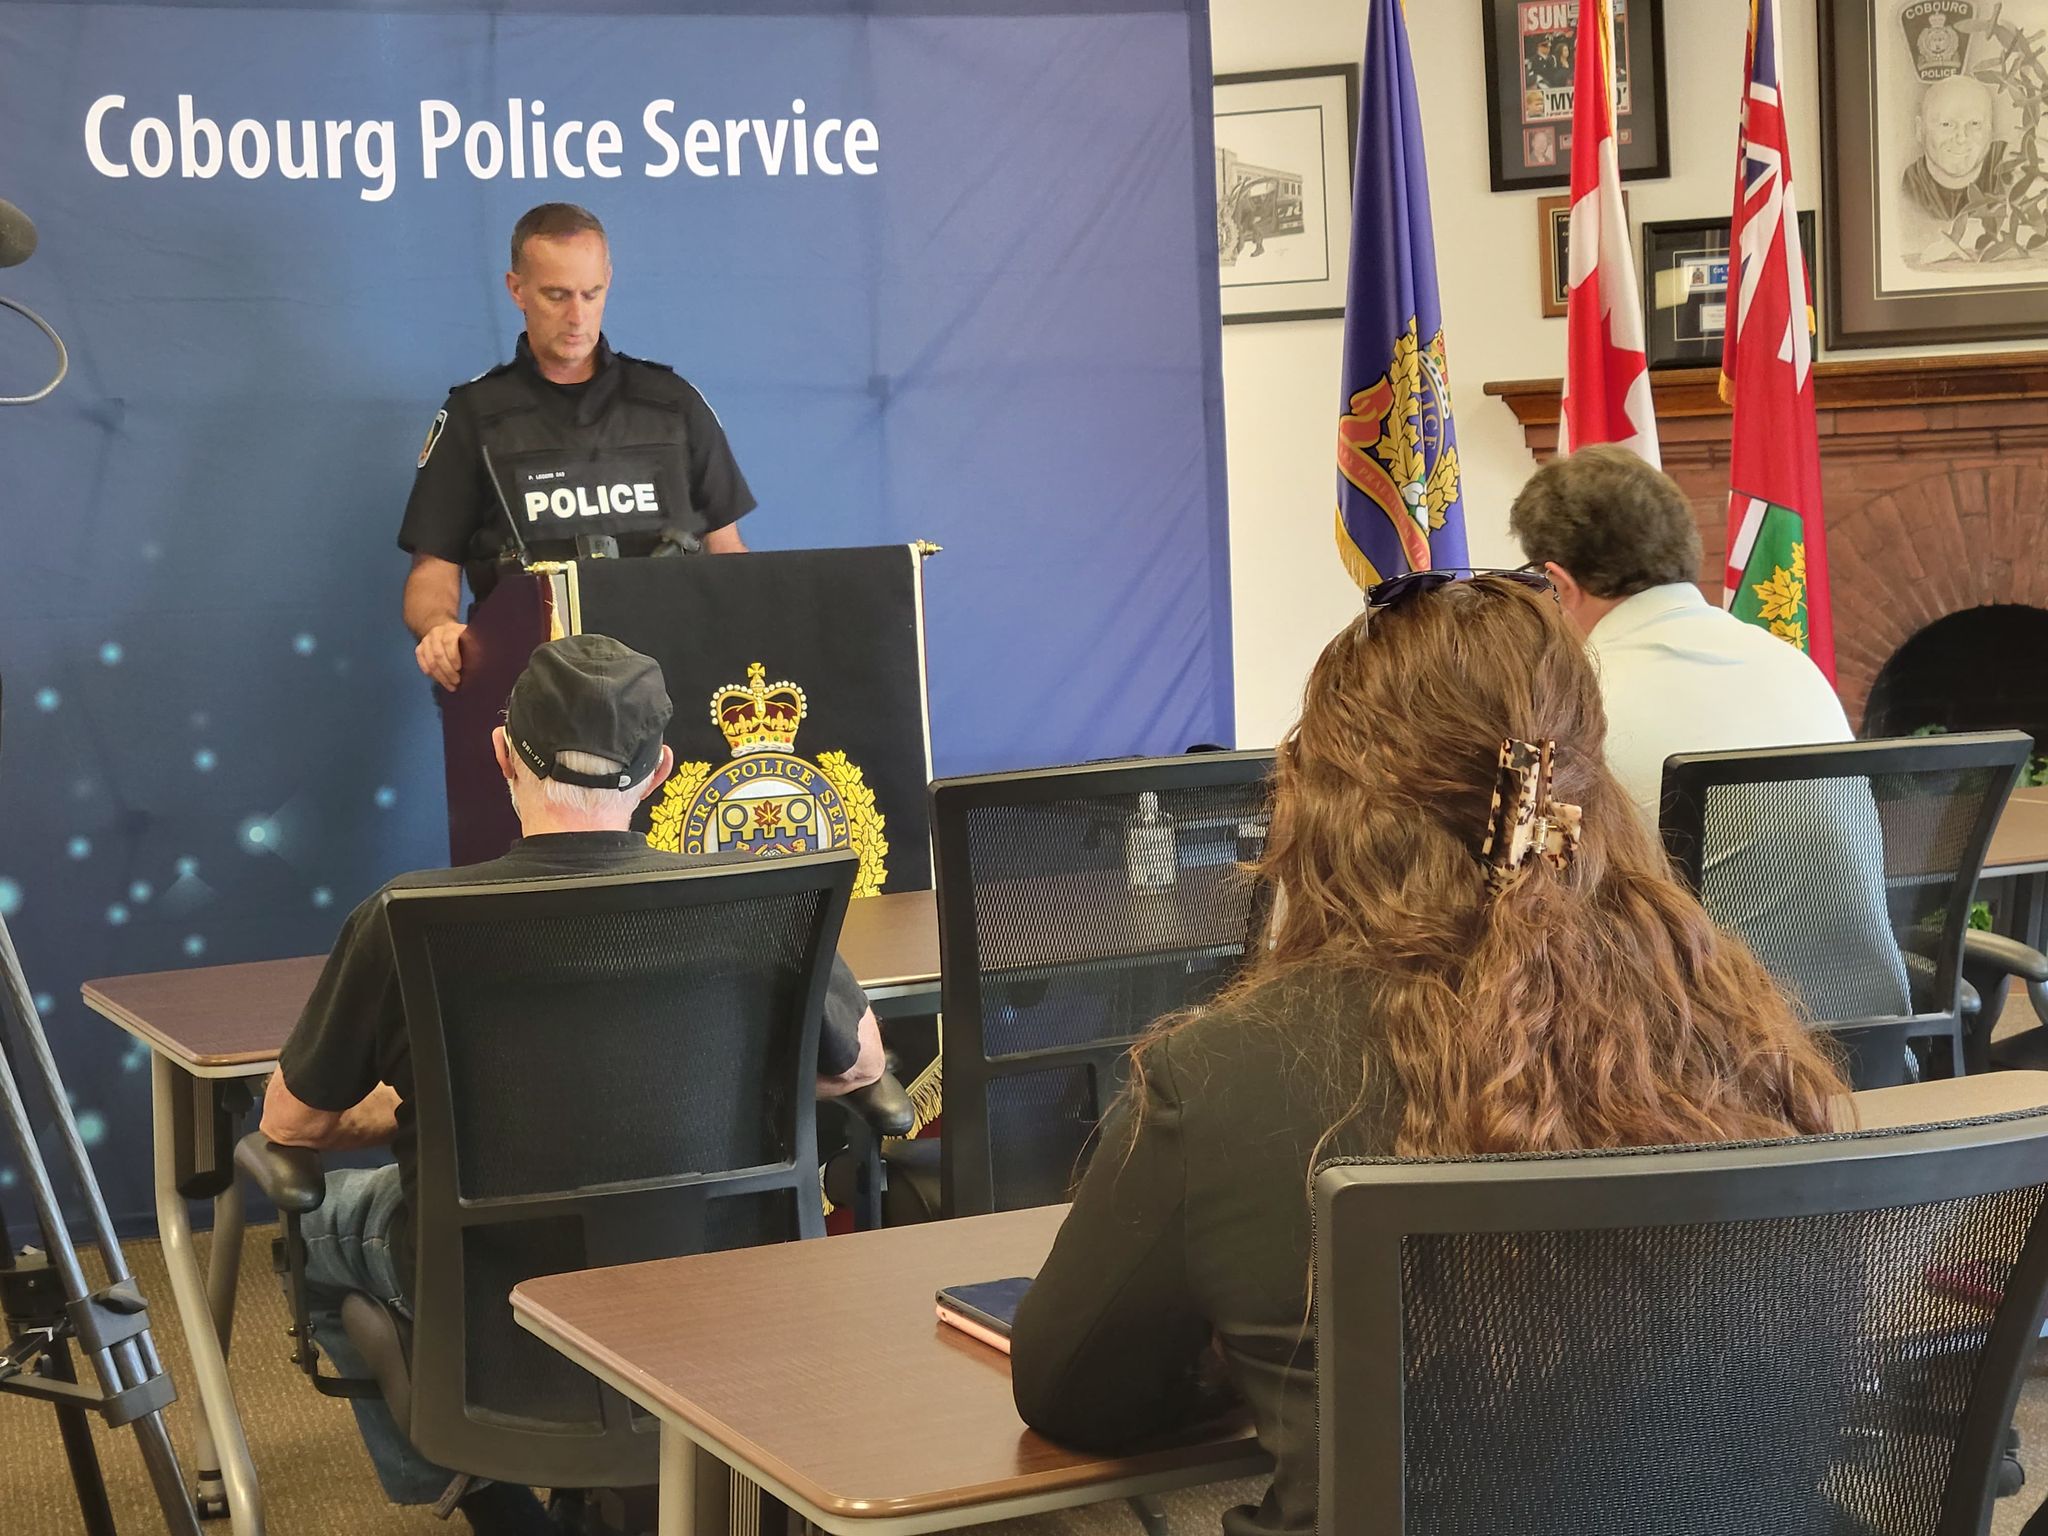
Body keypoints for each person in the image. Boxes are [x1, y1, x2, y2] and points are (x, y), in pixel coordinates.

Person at [1007, 574, 1849, 1535]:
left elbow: (1075, 1391)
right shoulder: (1732, 1027)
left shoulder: (1226, 1073)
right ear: (1584, 782)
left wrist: (1238, 1345)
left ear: (1324, 807)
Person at [257, 634, 884, 1534]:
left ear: (503, 751)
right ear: (661, 770)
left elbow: (294, 1123)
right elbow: (860, 1066)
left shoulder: (405, 919)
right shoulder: (760, 898)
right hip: (727, 1298)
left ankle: (483, 1490)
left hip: (501, 1310)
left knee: (312, 1223)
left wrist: (433, 1096)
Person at [1508, 447, 1912, 1026]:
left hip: (1696, 1071)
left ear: (1556, 583)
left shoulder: (1559, 706)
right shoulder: (1796, 668)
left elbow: (1516, 892)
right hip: (1862, 1046)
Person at [399, 203, 756, 693]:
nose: (577, 316)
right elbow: (431, 576)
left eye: (592, 293)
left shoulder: (673, 404)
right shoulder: (475, 416)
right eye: (556, 295)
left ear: (609, 280)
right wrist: (439, 629)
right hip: (528, 692)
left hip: (674, 681)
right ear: (516, 289)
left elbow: (728, 554)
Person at [1901, 75, 2007, 225]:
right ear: (1920, 130)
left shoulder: (2012, 173)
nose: (1961, 138)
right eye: (1946, 124)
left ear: (1991, 130)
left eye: (1974, 124)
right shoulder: (1907, 189)